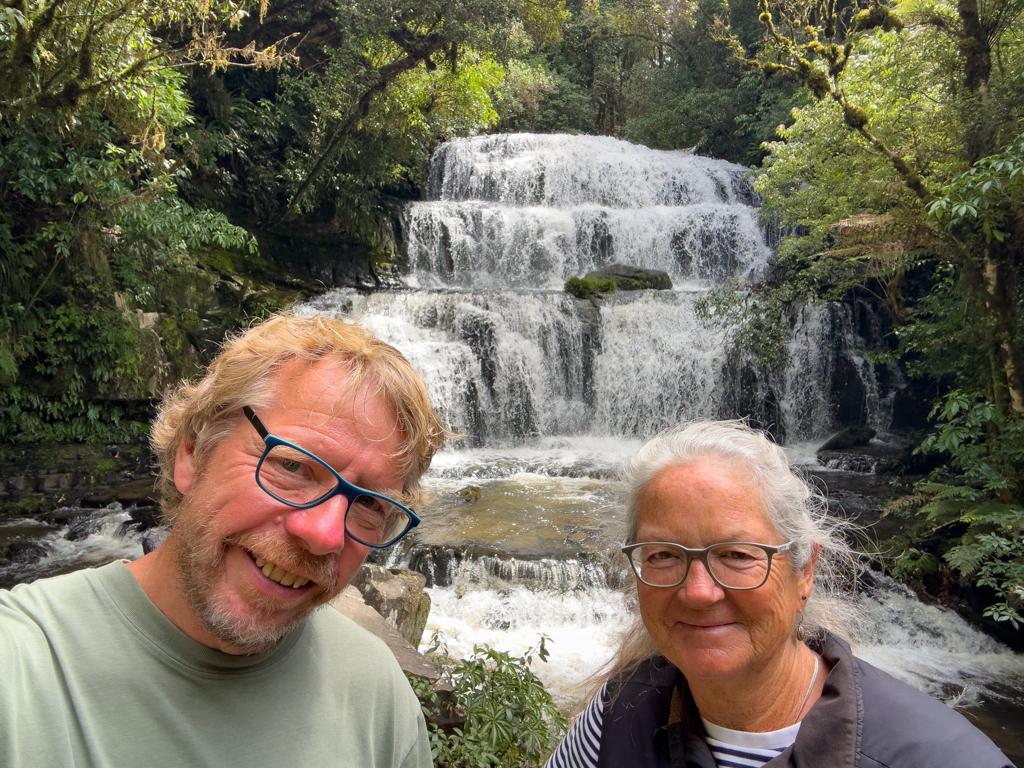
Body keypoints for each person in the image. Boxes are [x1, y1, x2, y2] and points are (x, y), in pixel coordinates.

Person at [0, 314, 448, 768]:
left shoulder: (379, 700)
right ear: (192, 452)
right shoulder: (21, 664)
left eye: (370, 505)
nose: (324, 535)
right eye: (292, 466)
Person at [546, 420, 1013, 768]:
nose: (698, 592)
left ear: (804, 571)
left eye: (736, 554)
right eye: (663, 554)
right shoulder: (618, 719)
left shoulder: (938, 757)